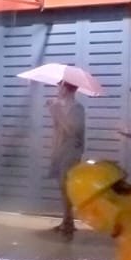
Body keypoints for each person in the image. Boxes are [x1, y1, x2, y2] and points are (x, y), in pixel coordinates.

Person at [48, 82, 86, 235]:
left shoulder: (77, 108)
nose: (57, 89)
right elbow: (59, 130)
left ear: (67, 89)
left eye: (60, 86)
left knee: (66, 186)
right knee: (62, 186)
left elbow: (73, 131)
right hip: (60, 149)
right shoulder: (60, 107)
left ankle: (68, 221)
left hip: (71, 151)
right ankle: (67, 220)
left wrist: (57, 113)